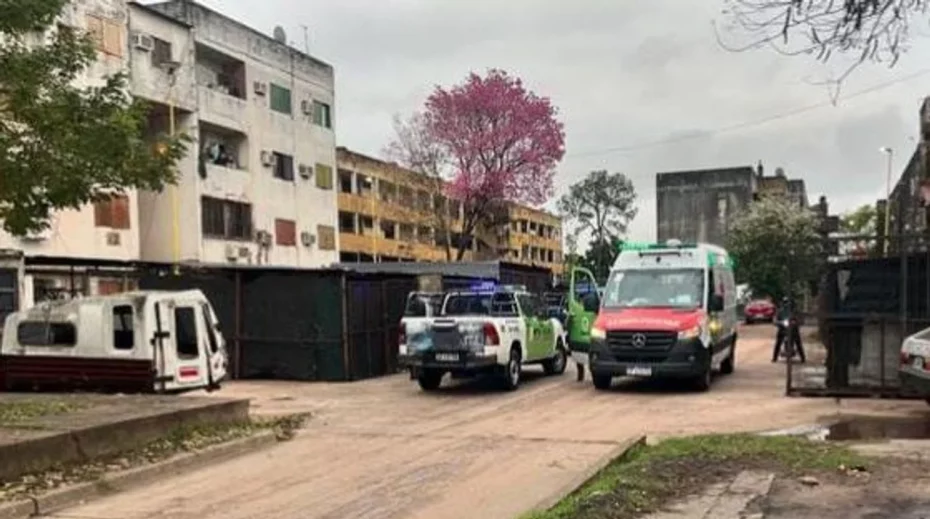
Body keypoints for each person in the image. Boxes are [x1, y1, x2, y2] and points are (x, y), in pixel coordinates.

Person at [772, 296, 806, 363]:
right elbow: (775, 320)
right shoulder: (780, 311)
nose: (787, 304)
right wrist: (781, 322)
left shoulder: (796, 311)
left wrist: (795, 322)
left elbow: (801, 321)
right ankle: (774, 358)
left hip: (793, 330)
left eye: (789, 303)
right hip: (782, 329)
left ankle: (803, 358)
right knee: (778, 342)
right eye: (785, 303)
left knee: (798, 342)